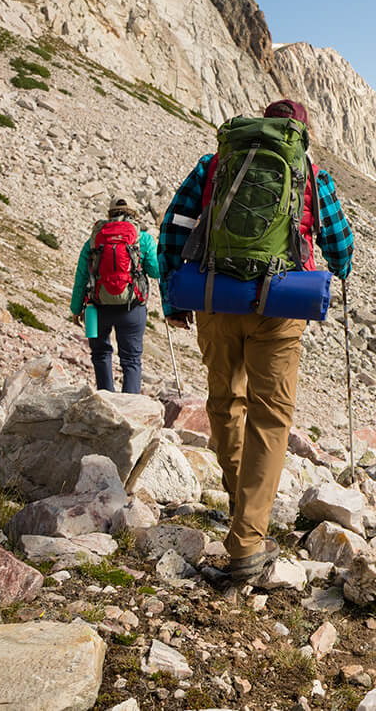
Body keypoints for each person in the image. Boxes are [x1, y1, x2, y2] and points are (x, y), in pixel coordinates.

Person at [159, 99, 353, 582]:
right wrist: (340, 270)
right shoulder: (311, 174)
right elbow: (339, 244)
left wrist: (172, 298)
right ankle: (248, 539)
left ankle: (240, 508)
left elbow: (173, 229)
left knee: (225, 402)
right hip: (279, 305)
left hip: (214, 298)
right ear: (301, 134)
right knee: (271, 417)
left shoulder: (214, 165)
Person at [70, 197, 160, 394]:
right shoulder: (143, 239)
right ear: (134, 214)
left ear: (109, 213)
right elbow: (155, 271)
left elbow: (81, 277)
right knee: (132, 360)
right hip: (132, 308)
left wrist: (76, 309)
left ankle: (105, 401)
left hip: (95, 309)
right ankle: (131, 409)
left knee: (99, 354)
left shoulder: (94, 239)